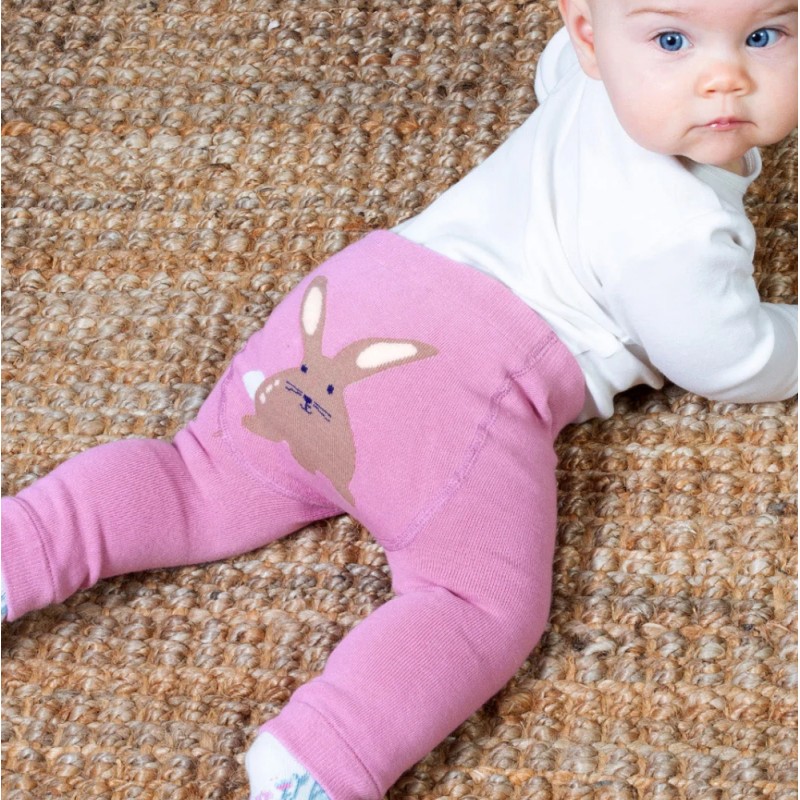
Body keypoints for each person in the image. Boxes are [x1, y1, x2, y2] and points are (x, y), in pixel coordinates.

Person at [2, 1, 797, 798]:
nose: (722, 78)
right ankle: (324, 755)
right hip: (458, 380)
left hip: (355, 292)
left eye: (764, 36)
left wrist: (645, 51)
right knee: (476, 601)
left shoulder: (592, 74)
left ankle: (21, 546)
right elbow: (725, 357)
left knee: (196, 479)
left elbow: (550, 67)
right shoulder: (679, 231)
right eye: (672, 40)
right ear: (591, 35)